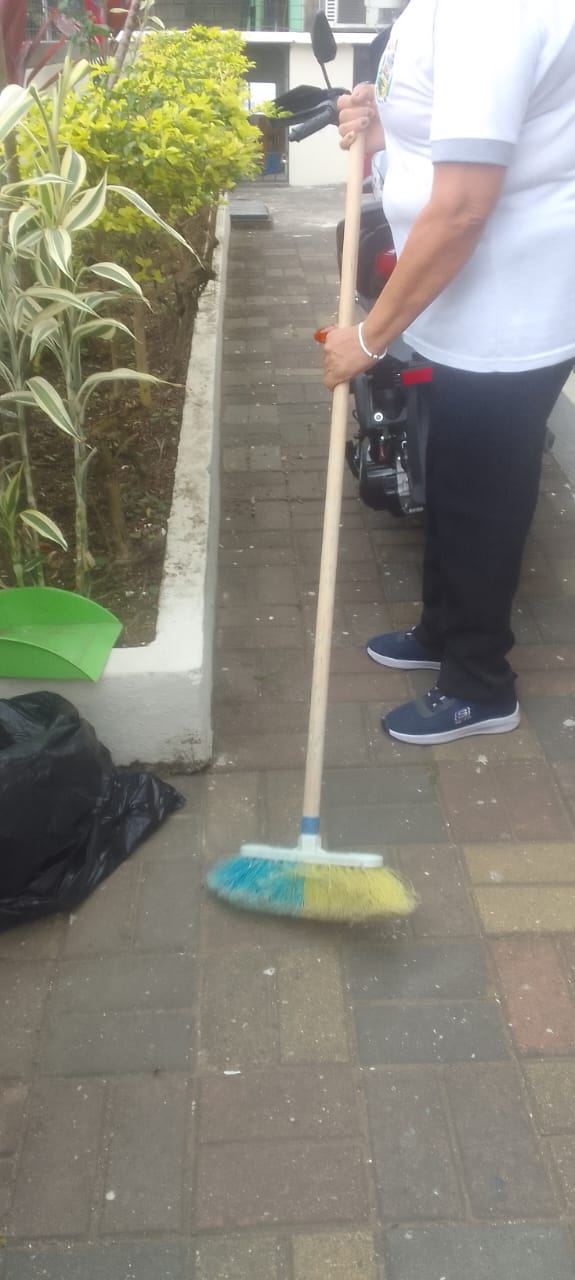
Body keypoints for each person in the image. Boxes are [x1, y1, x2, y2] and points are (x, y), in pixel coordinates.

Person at [323, 0, 575, 745]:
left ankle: (478, 684)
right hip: (464, 300)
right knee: (452, 479)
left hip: (507, 313)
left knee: (481, 501)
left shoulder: (489, 13)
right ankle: (441, 630)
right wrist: (383, 130)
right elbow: (456, 130)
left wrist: (368, 338)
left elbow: (463, 208)